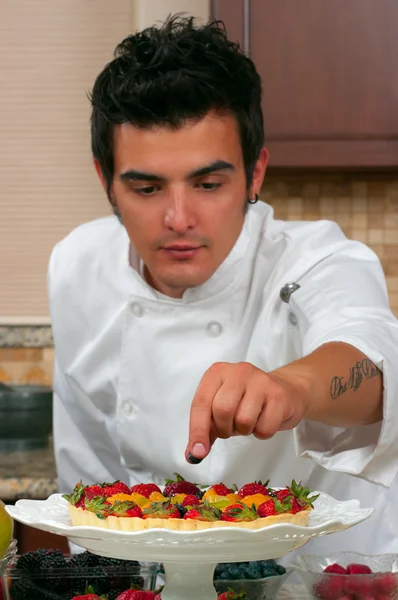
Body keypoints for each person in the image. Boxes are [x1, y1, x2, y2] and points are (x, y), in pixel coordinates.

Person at [48, 15, 398, 557]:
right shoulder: (77, 266)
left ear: (255, 173)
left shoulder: (321, 258)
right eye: (146, 187)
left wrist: (292, 388)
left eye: (209, 183)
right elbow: (89, 474)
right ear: (106, 181)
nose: (179, 217)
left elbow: (373, 362)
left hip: (317, 581)